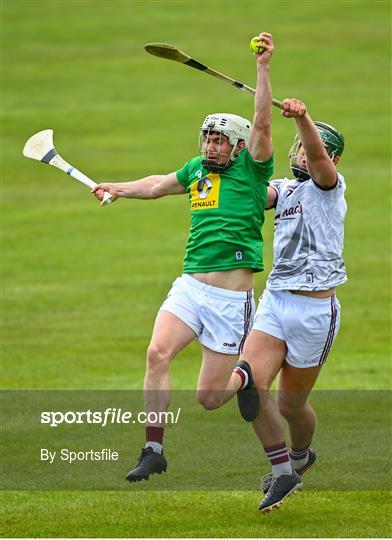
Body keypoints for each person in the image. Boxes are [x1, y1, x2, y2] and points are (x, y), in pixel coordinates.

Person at [93, 33, 275, 482]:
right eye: (207, 139)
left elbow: (264, 123)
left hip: (232, 300)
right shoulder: (196, 171)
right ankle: (154, 447)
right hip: (191, 287)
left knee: (210, 398)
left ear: (238, 146)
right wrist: (118, 187)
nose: (210, 147)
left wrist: (263, 68)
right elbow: (157, 185)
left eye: (219, 141)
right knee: (157, 353)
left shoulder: (253, 169)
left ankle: (245, 377)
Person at [232, 98, 347, 513]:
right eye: (296, 147)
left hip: (315, 313)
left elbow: (317, 156)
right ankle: (283, 472)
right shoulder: (285, 188)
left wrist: (302, 119)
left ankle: (301, 457)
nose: (301, 153)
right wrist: (238, 163)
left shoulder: (330, 187)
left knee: (290, 405)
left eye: (307, 147)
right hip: (277, 303)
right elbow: (256, 193)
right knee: (248, 382)